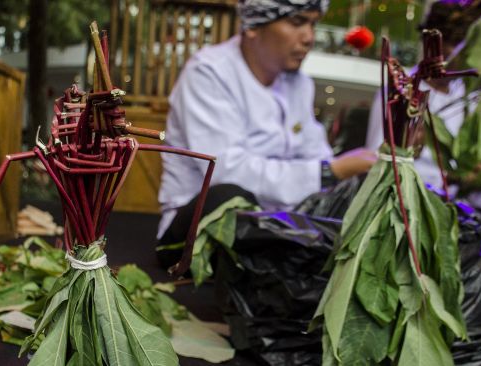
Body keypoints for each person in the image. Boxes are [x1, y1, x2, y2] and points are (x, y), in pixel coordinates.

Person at [156, 0, 376, 261]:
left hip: (277, 225)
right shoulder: (208, 73)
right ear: (253, 26)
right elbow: (223, 170)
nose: (308, 37)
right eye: (297, 23)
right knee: (228, 196)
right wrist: (330, 172)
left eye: (313, 24)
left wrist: (344, 173)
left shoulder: (298, 83)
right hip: (199, 231)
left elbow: (314, 152)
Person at [364, 0, 481, 212]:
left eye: (464, 45)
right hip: (404, 209)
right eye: (453, 43)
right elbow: (375, 161)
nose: (457, 55)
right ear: (430, 42)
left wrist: (477, 177)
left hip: (452, 211)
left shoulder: (469, 100)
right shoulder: (399, 89)